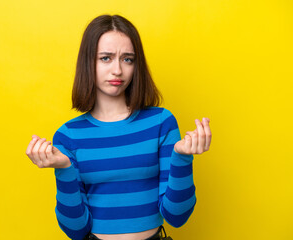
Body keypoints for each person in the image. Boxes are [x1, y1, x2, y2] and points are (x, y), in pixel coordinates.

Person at [26, 14, 212, 240]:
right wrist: (64, 169)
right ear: (88, 62)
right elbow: (75, 230)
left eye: (127, 59)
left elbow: (177, 216)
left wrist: (182, 157)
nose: (117, 70)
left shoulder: (161, 122)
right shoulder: (68, 136)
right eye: (106, 58)